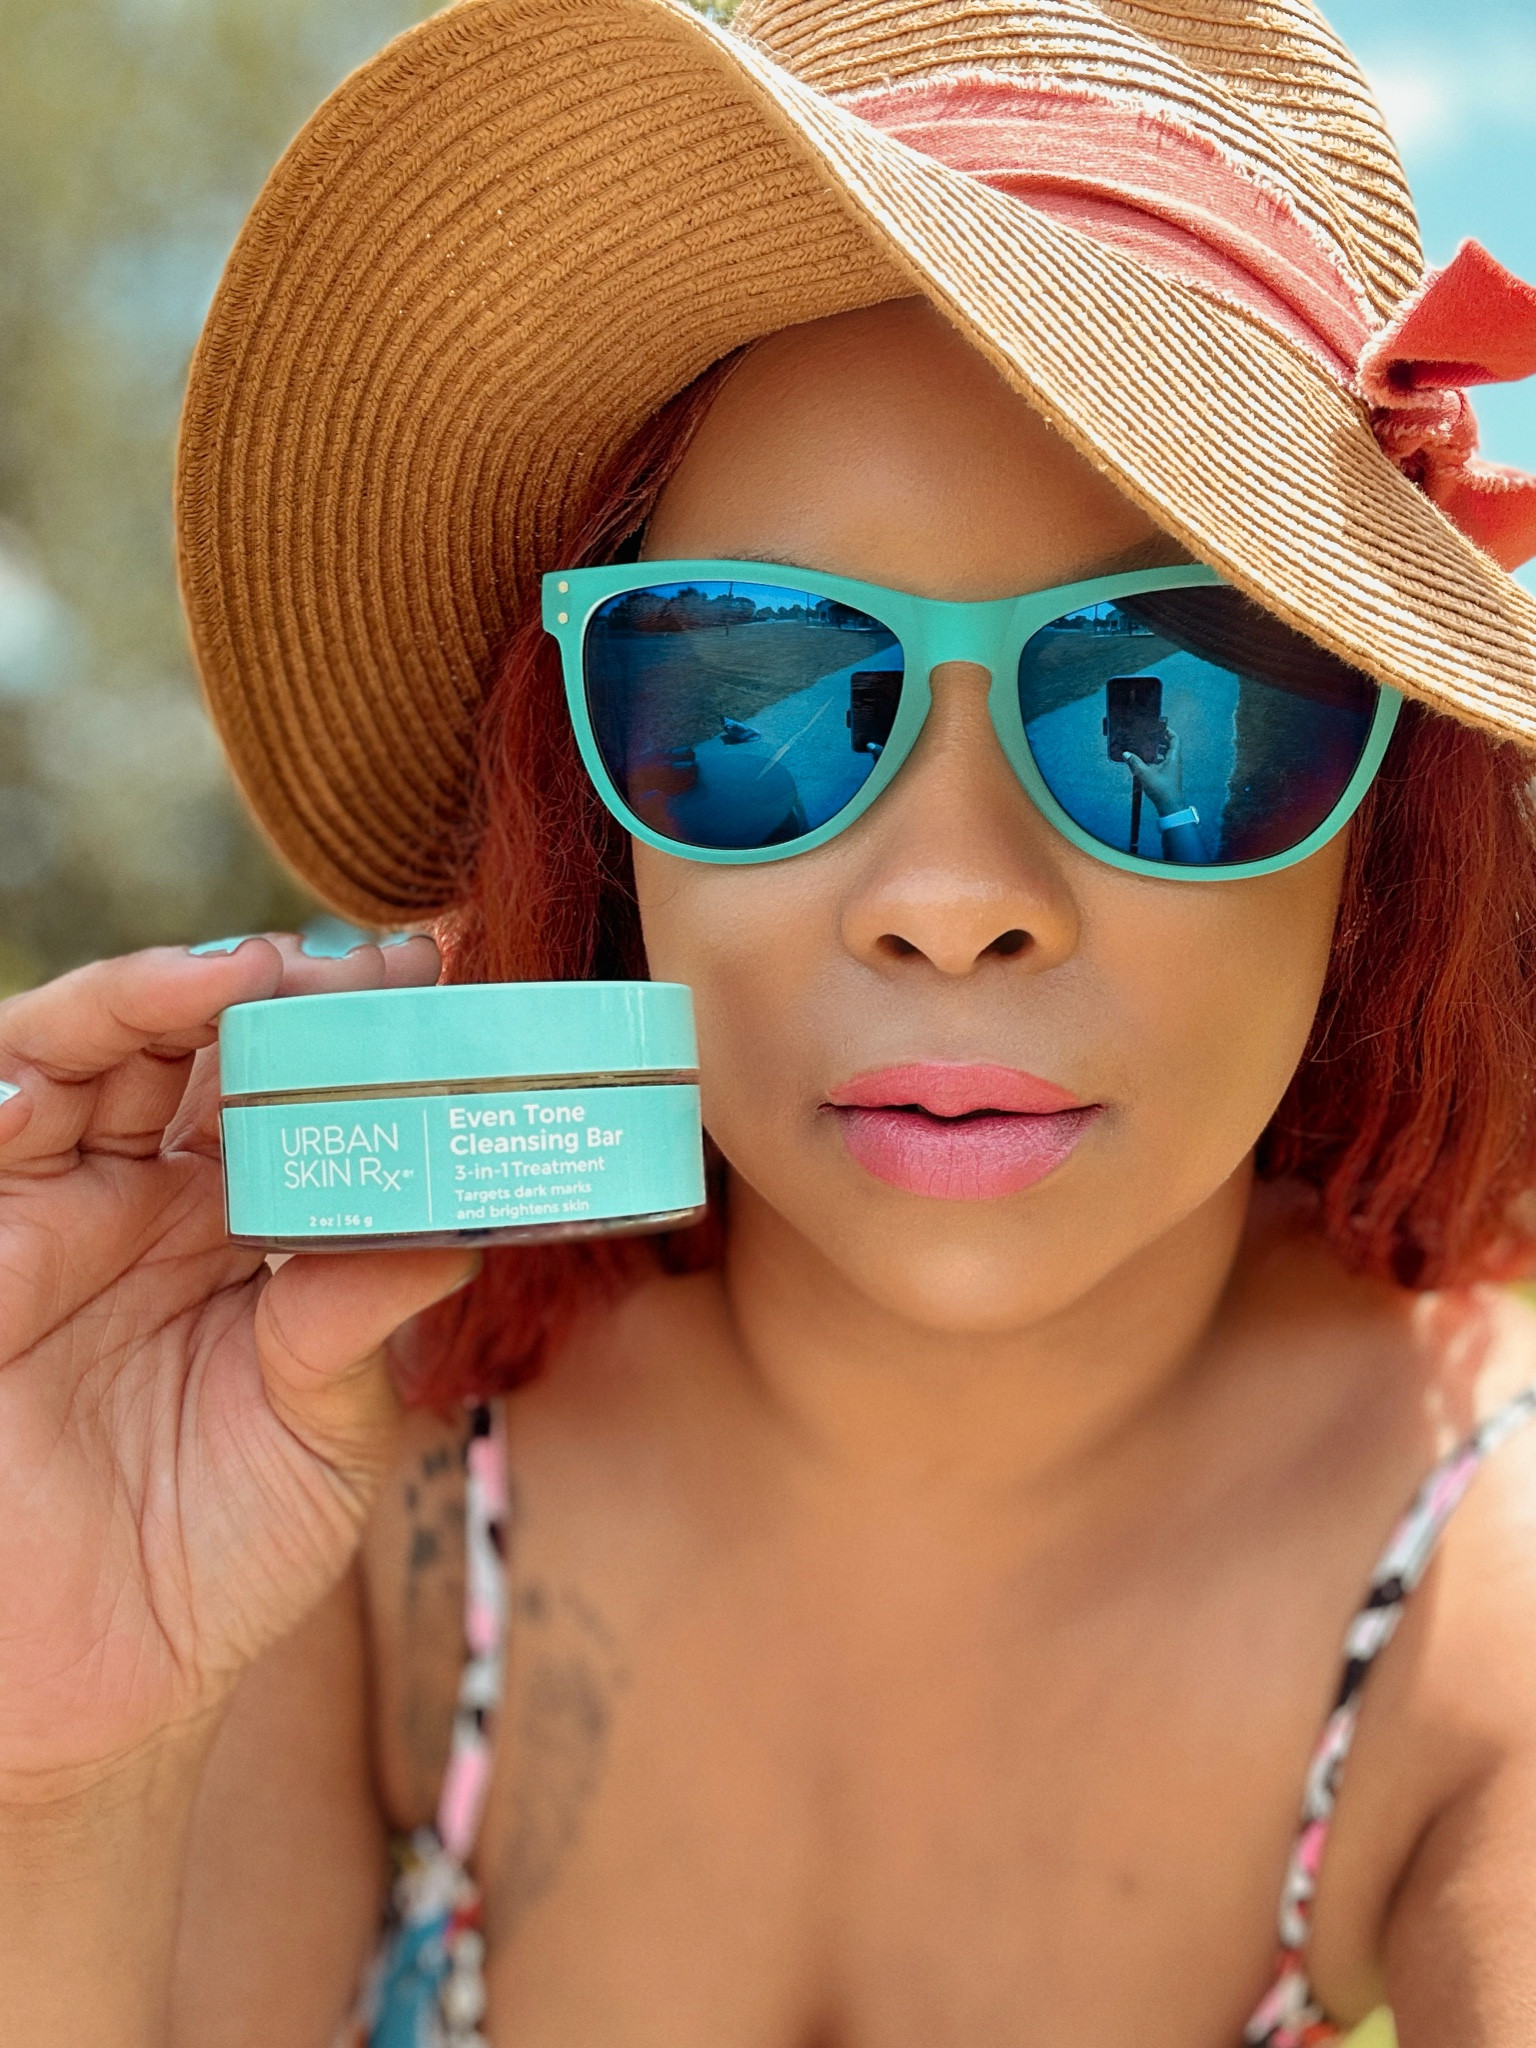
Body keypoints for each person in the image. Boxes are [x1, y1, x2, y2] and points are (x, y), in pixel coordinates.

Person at [6, 1, 1536, 2043]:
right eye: (753, 697)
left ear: (1387, 822)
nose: (951, 898)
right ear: (588, 800)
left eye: (1168, 703)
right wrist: (64, 1773)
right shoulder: (337, 1449)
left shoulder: (1493, 1597)